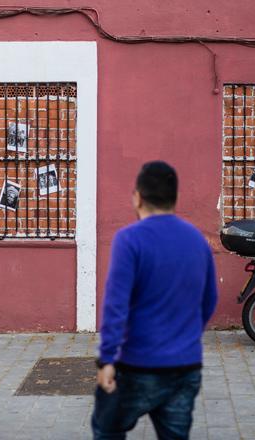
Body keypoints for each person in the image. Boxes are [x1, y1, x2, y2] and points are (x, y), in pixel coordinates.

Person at [92, 161, 218, 440]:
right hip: (185, 366)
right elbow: (210, 299)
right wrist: (185, 337)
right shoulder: (197, 240)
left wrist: (107, 360)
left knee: (107, 428)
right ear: (175, 198)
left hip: (136, 365)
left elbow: (116, 305)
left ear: (137, 196)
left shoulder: (129, 239)